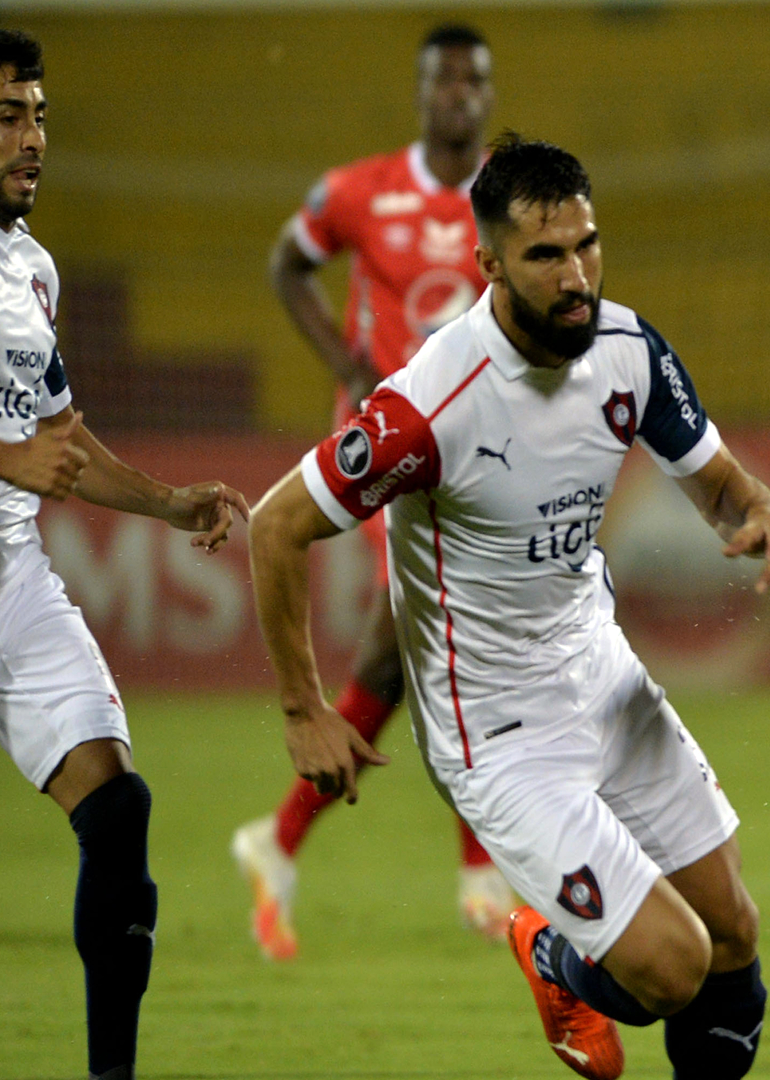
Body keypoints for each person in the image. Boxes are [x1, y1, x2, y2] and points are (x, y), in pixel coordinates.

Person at [247, 134, 770, 1080]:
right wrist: (304, 708)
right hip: (498, 731)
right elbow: (275, 528)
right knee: (672, 970)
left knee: (733, 942)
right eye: (545, 256)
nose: (576, 277)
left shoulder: (629, 350)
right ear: (489, 265)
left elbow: (715, 481)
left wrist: (755, 508)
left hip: (600, 672)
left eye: (587, 246)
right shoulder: (433, 403)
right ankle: (552, 958)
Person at [0, 29, 248, 1080]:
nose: (33, 139)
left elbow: (58, 442)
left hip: (11, 578)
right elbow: (24, 453)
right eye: (7, 116)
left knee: (119, 808)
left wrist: (166, 504)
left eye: (40, 117)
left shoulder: (30, 267)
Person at [231, 22, 509, 961]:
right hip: (388, 453)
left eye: (475, 81)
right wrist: (344, 360)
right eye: (446, 80)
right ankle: (480, 873)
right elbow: (286, 264)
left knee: (399, 666)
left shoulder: (506, 205)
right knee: (442, 642)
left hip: (477, 453)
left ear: (487, 95)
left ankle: (277, 842)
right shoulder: (361, 192)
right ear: (424, 91)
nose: (459, 95)